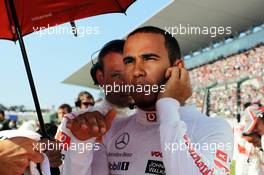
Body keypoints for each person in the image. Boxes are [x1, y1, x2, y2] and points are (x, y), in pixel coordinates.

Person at [62, 26, 234, 175]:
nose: (137, 71)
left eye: (149, 58)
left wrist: (167, 104)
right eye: (129, 61)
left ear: (177, 68)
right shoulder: (111, 129)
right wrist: (81, 145)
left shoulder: (213, 128)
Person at [55, 39, 135, 175]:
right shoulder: (73, 121)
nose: (126, 82)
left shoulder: (160, 118)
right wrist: (81, 142)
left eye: (132, 73)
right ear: (101, 77)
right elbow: (63, 172)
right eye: (117, 75)